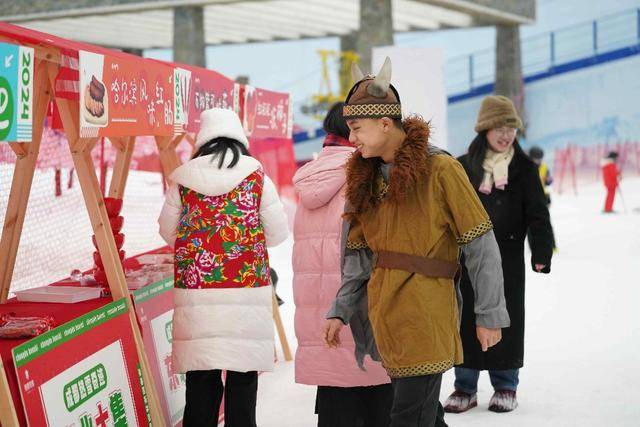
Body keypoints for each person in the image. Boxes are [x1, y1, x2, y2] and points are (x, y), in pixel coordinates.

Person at [322, 58, 510, 427]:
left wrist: (489, 313)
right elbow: (358, 256)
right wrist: (340, 308)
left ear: (385, 123)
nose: (353, 138)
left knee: (408, 417)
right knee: (423, 415)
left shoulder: (441, 169)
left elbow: (480, 245)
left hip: (427, 312)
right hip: (385, 315)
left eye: (357, 128)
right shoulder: (364, 177)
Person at [158, 108, 289, 426]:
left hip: (197, 297)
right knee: (243, 384)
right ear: (238, 137)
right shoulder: (256, 176)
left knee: (201, 384)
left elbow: (167, 230)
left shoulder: (183, 178)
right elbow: (278, 232)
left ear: (203, 139)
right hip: (247, 296)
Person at [444, 95, 554, 414]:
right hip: (467, 258)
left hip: (507, 259)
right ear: (484, 129)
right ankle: (464, 386)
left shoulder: (524, 169)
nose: (506, 135)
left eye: (511, 128)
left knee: (505, 318)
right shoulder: (463, 166)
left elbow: (538, 213)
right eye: (499, 128)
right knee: (465, 317)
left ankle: (505, 384)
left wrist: (541, 250)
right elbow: (447, 212)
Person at [292, 102, 392, 427]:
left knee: (337, 406)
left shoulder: (309, 179)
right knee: (379, 403)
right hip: (362, 316)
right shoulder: (366, 178)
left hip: (322, 321)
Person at [528, 145, 556, 249]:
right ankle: (533, 246)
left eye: (540, 159)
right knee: (530, 224)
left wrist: (549, 180)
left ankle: (552, 245)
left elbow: (549, 182)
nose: (538, 161)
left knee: (546, 221)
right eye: (536, 159)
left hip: (543, 197)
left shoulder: (544, 167)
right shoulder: (527, 167)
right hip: (529, 198)